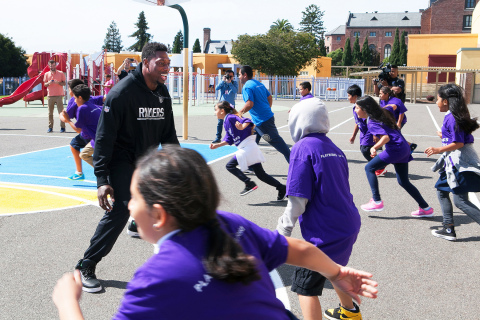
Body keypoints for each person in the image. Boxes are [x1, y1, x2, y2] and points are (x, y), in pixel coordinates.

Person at [53, 146, 379, 320]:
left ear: (159, 214)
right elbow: (301, 250)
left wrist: (68, 301)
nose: (130, 204)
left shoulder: (156, 277)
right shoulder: (228, 223)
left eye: (135, 196)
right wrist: (337, 273)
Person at [74, 42, 179, 293]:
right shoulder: (121, 94)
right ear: (146, 62)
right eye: (161, 63)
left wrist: (181, 166)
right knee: (119, 210)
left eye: (168, 63)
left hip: (147, 160)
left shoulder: (162, 92)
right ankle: (85, 265)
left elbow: (169, 133)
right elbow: (103, 139)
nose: (166, 67)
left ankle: (139, 225)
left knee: (172, 201)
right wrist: (102, 179)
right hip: (121, 161)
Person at [276, 98, 363, 320]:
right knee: (333, 270)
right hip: (347, 222)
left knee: (303, 287)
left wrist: (282, 232)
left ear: (300, 121)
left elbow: (297, 198)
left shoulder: (302, 148)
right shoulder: (334, 148)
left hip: (325, 232)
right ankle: (350, 313)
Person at [354, 96, 434, 217]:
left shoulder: (371, 121)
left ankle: (376, 201)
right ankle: (425, 208)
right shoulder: (383, 112)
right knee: (404, 181)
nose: (355, 110)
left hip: (395, 149)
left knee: (369, 168)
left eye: (357, 107)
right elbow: (394, 106)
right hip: (404, 148)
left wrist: (374, 147)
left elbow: (386, 137)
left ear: (365, 109)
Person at [425, 84, 480, 241]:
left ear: (446, 101)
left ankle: (448, 229)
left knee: (460, 200)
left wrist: (438, 149)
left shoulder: (451, 117)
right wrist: (444, 136)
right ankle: (448, 228)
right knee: (442, 190)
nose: (436, 102)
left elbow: (459, 143)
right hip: (454, 161)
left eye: (438, 98)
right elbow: (456, 138)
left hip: (459, 162)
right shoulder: (453, 115)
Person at [210, 101, 286, 200]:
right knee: (261, 175)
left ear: (222, 111)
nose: (215, 112)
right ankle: (281, 188)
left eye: (216, 110)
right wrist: (218, 145)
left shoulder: (230, 117)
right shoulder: (226, 121)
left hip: (247, 147)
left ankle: (248, 183)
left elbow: (247, 120)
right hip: (247, 147)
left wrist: (242, 127)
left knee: (230, 166)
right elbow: (229, 139)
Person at [238, 65, 290, 163]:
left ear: (245, 75)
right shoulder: (258, 83)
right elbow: (269, 97)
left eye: (239, 74)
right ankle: (251, 165)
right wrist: (267, 109)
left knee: (277, 142)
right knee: (251, 142)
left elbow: (249, 104)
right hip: (259, 120)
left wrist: (239, 113)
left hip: (263, 122)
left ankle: (296, 164)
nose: (239, 77)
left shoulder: (247, 87)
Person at [63, 79, 104, 180]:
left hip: (92, 135)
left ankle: (102, 171)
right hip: (99, 134)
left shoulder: (80, 106)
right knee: (80, 148)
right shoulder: (92, 102)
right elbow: (104, 98)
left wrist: (66, 119)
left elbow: (77, 128)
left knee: (84, 153)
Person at [348, 85, 387, 177]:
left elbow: (373, 117)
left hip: (370, 130)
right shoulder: (355, 108)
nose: (348, 97)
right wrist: (353, 135)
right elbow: (357, 122)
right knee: (364, 149)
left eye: (349, 95)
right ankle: (378, 164)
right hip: (363, 132)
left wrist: (375, 133)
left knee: (366, 150)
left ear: (355, 96)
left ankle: (380, 166)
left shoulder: (363, 106)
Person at [379, 86, 417, 153]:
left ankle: (407, 147)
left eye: (381, 93)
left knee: (394, 135)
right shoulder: (382, 101)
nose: (379, 95)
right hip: (390, 121)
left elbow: (401, 112)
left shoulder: (396, 100)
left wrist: (399, 123)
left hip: (399, 120)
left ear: (386, 94)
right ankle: (410, 145)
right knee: (395, 135)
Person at [212, 70, 238, 143]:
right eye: (228, 76)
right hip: (222, 105)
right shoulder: (222, 82)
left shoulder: (234, 83)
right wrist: (223, 81)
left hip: (230, 105)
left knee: (232, 122)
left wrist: (230, 83)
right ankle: (218, 137)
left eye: (231, 76)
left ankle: (234, 137)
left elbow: (235, 91)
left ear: (233, 77)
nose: (229, 77)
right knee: (220, 122)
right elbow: (216, 88)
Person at [44, 60, 66, 133]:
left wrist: (58, 83)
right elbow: (45, 84)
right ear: (48, 66)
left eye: (53, 65)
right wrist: (49, 83)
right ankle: (50, 127)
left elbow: (64, 83)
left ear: (55, 65)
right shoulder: (47, 74)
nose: (52, 67)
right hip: (50, 95)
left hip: (59, 95)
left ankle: (63, 127)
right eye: (51, 66)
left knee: (61, 112)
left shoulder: (61, 73)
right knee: (50, 113)